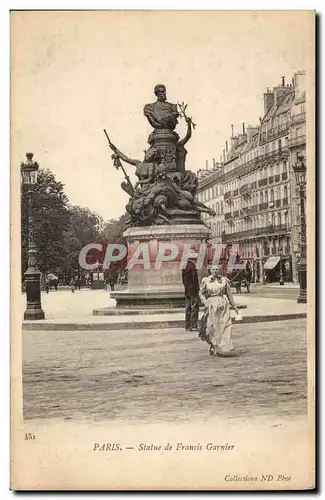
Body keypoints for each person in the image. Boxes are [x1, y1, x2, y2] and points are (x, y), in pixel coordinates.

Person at [199, 264, 240, 357]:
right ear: (210, 270)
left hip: (222, 305)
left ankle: (224, 347)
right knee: (211, 326)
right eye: (213, 269)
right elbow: (201, 293)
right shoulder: (206, 280)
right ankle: (214, 344)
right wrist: (205, 302)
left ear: (219, 270)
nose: (215, 271)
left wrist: (235, 307)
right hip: (211, 305)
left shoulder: (224, 280)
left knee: (224, 325)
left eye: (217, 269)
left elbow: (229, 295)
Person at [182, 259, 200, 332]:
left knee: (188, 307)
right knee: (194, 307)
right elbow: (194, 279)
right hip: (193, 290)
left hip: (187, 290)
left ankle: (188, 326)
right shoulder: (192, 265)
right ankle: (194, 325)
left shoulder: (184, 265)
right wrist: (197, 288)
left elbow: (184, 280)